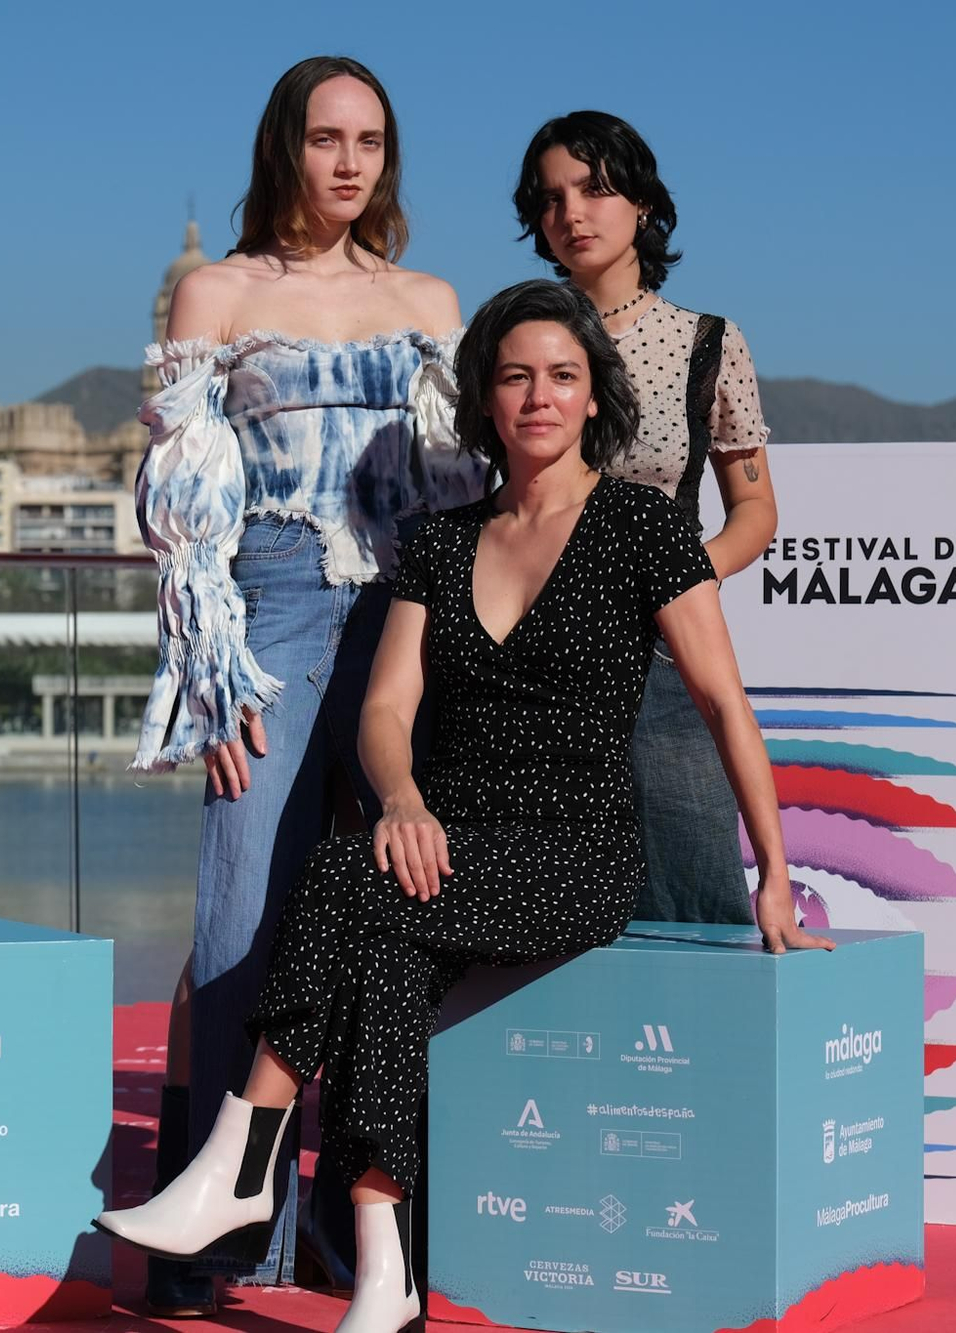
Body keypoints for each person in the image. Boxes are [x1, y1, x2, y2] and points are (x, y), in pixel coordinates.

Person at [98, 279, 829, 1333]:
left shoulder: (637, 528)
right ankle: (386, 1272)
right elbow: (386, 711)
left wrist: (774, 872)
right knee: (385, 947)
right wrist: (397, 797)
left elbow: (722, 702)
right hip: (448, 838)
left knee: (344, 876)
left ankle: (242, 1153)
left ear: (593, 400)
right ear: (483, 397)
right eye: (516, 376)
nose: (538, 396)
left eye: (562, 377)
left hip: (571, 851)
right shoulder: (439, 541)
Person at [129, 55, 481, 1311]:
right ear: (284, 145)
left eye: (371, 142)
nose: (348, 163)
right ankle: (220, 1237)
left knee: (388, 919)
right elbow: (183, 508)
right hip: (270, 607)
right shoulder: (215, 289)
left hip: (407, 618)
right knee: (239, 921)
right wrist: (210, 668)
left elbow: (459, 492)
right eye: (326, 137)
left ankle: (355, 1221)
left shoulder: (429, 296)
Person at [513, 110, 779, 925]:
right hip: (536, 657)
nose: (573, 214)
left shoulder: (707, 342)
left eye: (595, 189)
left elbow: (756, 509)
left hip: (662, 654)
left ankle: (714, 1050)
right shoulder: (518, 336)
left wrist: (681, 581)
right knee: (539, 893)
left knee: (694, 882)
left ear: (644, 205)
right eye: (551, 198)